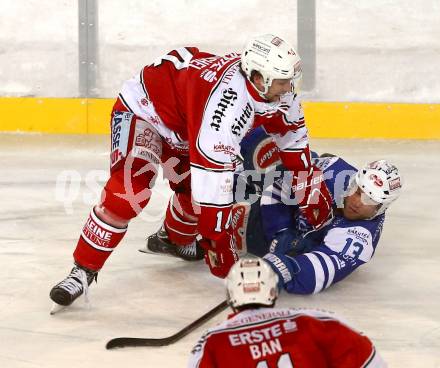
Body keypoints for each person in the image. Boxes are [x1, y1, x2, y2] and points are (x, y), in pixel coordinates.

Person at [49, 34, 333, 308]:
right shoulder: (227, 107)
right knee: (128, 192)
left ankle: (172, 241)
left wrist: (305, 182)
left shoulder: (271, 92)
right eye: (283, 81)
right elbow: (213, 184)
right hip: (145, 113)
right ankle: (82, 271)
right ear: (259, 78)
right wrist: (217, 245)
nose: (288, 88)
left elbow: (292, 134)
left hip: (187, 125)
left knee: (192, 198)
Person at [231, 128, 403, 294]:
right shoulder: (334, 173)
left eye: (369, 201)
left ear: (381, 208)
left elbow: (320, 270)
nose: (357, 202)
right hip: (289, 210)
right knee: (264, 142)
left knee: (240, 221)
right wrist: (280, 230)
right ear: (353, 183)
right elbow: (278, 186)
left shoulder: (360, 236)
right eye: (358, 192)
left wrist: (284, 268)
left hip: (299, 244)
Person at [188, 256, 387, 367]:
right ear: (273, 291)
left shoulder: (213, 340)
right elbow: (369, 361)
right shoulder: (315, 321)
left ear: (231, 294)